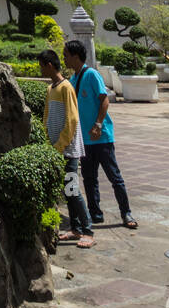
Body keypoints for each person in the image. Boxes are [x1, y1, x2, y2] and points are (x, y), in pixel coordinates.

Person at [63, 39, 138, 230]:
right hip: (84, 139)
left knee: (115, 177)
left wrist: (98, 123)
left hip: (101, 136)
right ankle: (95, 213)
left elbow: (104, 100)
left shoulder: (92, 75)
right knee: (89, 178)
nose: (64, 59)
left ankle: (126, 212)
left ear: (75, 56)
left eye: (66, 55)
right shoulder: (72, 80)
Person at [38, 48, 93, 248]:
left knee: (72, 190)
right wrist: (47, 142)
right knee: (67, 191)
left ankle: (88, 230)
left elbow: (71, 120)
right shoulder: (51, 88)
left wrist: (59, 146)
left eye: (42, 66)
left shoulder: (66, 87)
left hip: (67, 150)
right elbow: (46, 117)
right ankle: (75, 228)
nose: (41, 70)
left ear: (50, 66)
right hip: (55, 149)